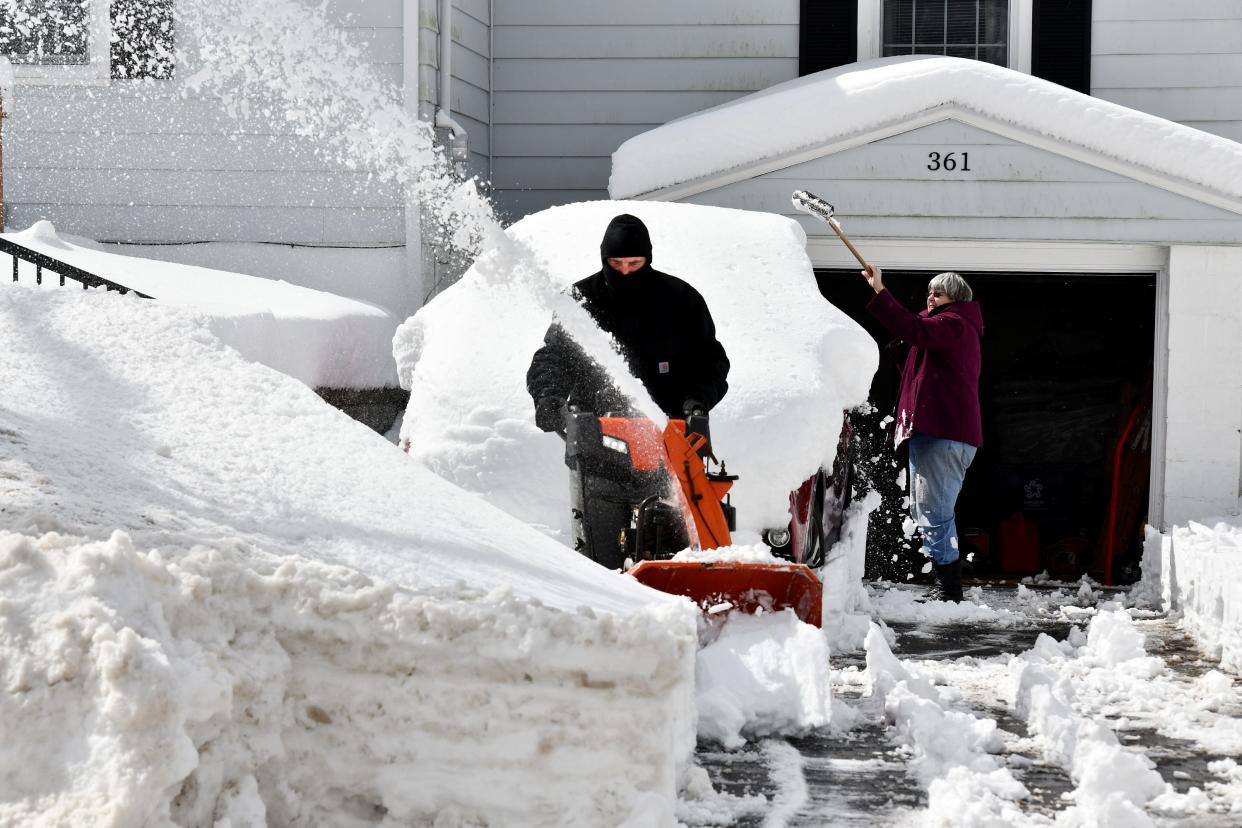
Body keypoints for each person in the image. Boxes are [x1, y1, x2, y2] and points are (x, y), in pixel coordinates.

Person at [526, 213, 730, 429]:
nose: (625, 271)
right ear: (604, 259)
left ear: (647, 259)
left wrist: (697, 401)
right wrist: (548, 397)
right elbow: (553, 357)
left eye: (634, 263)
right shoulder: (579, 300)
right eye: (616, 263)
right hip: (595, 434)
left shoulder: (681, 300)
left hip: (671, 432)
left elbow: (711, 361)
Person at [862, 264, 983, 602]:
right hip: (934, 433)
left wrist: (880, 292)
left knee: (936, 512)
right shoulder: (944, 327)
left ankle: (950, 590)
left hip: (944, 433)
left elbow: (915, 328)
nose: (931, 297)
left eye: (938, 293)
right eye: (930, 291)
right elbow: (916, 330)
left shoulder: (955, 325)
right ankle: (945, 585)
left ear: (955, 300)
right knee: (924, 511)